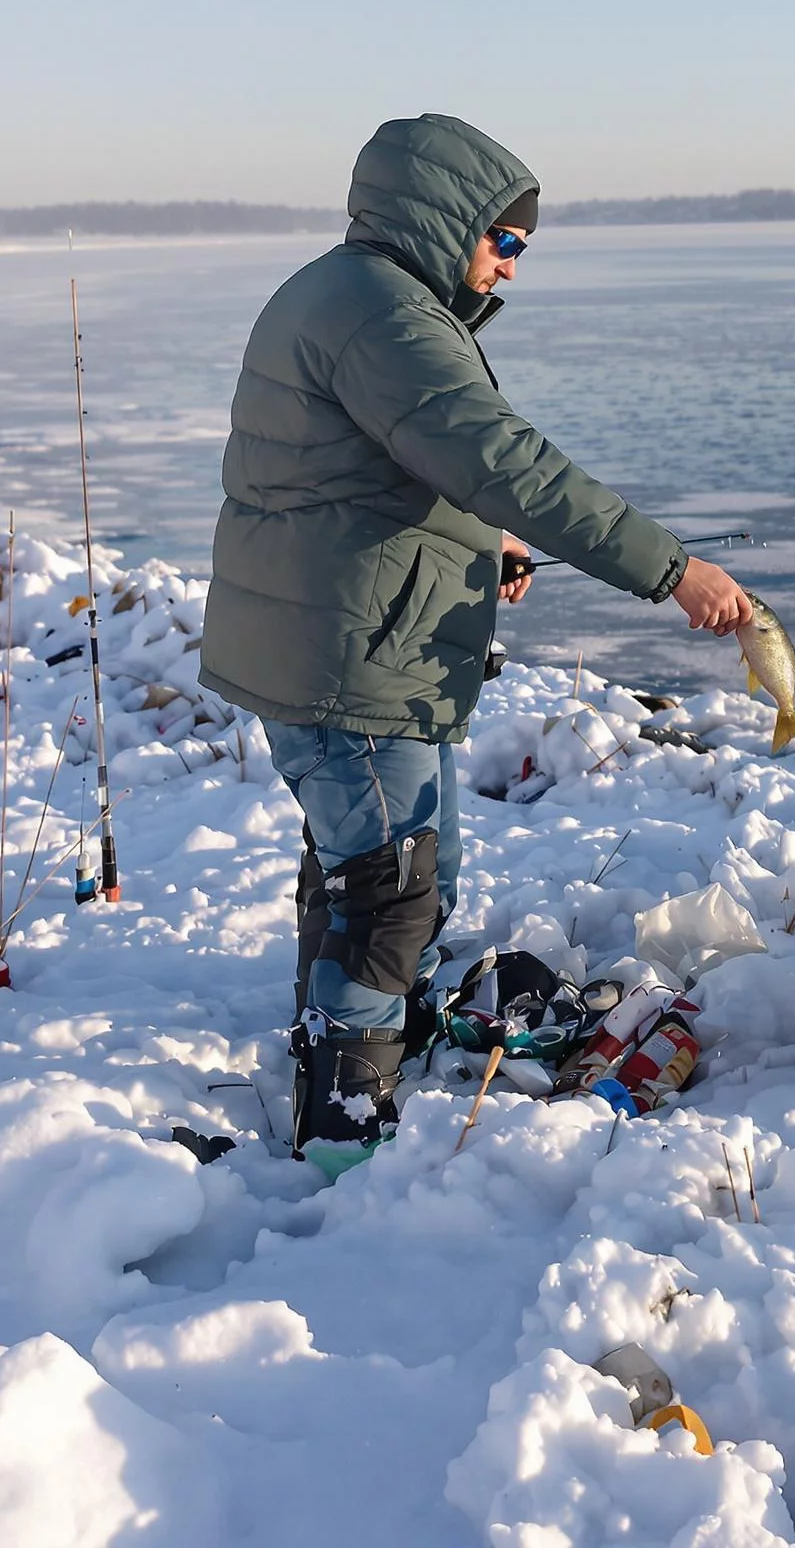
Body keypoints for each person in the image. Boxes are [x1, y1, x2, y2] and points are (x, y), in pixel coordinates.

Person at [200, 113, 753, 1167]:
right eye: (501, 241)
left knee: (391, 866)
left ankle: (360, 1034)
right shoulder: (382, 316)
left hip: (363, 642)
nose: (509, 265)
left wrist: (476, 538)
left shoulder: (358, 293)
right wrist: (669, 566)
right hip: (349, 657)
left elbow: (384, 472)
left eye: (521, 249)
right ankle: (344, 1121)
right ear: (441, 215)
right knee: (388, 887)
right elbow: (506, 461)